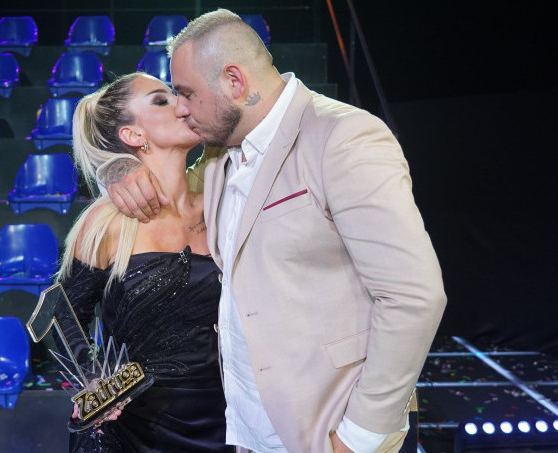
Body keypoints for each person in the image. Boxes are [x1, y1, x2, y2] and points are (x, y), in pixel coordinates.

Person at [102, 9, 447, 453]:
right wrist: (116, 169)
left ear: (234, 81)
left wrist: (359, 438)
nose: (181, 110)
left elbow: (413, 297)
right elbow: (165, 190)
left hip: (330, 430)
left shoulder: (343, 137)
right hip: (249, 433)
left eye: (187, 94)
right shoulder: (217, 157)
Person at [55, 72, 233, 453]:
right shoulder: (107, 222)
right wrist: (94, 379)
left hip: (225, 422)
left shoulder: (220, 204)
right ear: (134, 135)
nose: (181, 105)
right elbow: (63, 314)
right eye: (161, 100)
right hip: (134, 432)